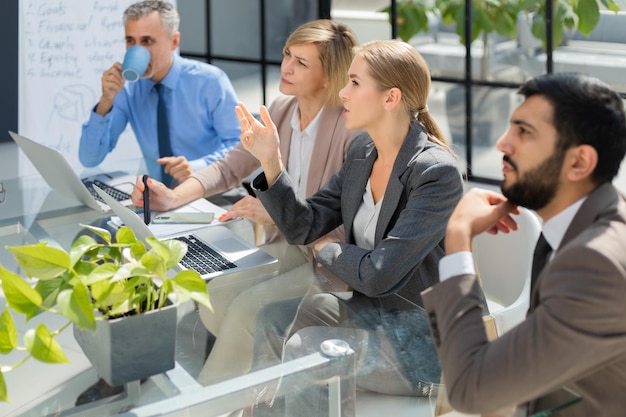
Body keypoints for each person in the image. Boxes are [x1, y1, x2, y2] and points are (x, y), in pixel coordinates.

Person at [237, 39, 464, 416]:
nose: (342, 92)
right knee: (273, 318)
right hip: (369, 319)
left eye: (355, 83)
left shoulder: (435, 173)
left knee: (305, 349)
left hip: (419, 346)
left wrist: (325, 250)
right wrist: (271, 161)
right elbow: (304, 225)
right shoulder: (362, 151)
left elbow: (379, 274)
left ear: (390, 98)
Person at [130, 19, 360, 385]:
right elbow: (229, 167)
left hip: (324, 256)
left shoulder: (350, 130)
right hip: (286, 246)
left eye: (301, 63)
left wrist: (278, 215)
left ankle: (207, 407)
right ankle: (264, 384)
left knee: (248, 311)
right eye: (288, 55)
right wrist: (173, 195)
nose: (286, 66)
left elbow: (348, 225)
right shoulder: (281, 110)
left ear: (329, 77)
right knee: (216, 293)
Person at [422, 73, 626, 417]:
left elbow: (472, 390)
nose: (503, 143)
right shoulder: (595, 218)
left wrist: (458, 238)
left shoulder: (594, 263)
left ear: (579, 162)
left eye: (524, 132)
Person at [78, 0, 240, 186]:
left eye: (147, 41)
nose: (137, 50)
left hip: (213, 191)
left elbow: (240, 146)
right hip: (160, 199)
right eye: (131, 41)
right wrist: (105, 101)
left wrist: (196, 168)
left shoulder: (209, 81)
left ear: (174, 41)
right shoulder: (127, 89)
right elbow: (90, 159)